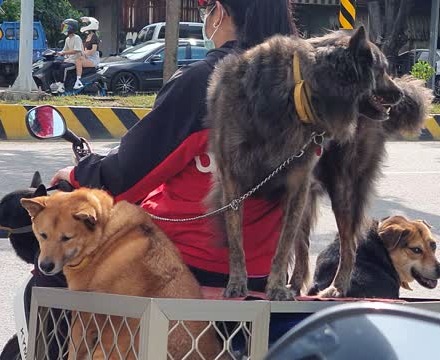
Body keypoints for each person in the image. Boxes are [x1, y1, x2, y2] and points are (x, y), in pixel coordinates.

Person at [50, 0, 299, 292]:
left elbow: (128, 176)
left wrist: (78, 175)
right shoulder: (299, 85)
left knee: (55, 269)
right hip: (264, 269)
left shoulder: (206, 81)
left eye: (207, 7)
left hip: (184, 262)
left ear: (219, 12)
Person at [52, 19, 83, 91]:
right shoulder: (67, 39)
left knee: (63, 67)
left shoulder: (77, 38)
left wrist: (63, 53)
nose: (63, 29)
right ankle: (57, 82)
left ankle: (62, 85)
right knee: (55, 64)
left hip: (75, 60)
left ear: (71, 28)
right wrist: (56, 53)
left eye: (65, 27)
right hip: (68, 59)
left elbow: (77, 50)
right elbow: (64, 50)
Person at [74, 17, 101, 90]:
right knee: (75, 60)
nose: (84, 26)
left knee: (78, 61)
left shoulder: (94, 37)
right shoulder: (87, 36)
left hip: (93, 59)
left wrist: (84, 54)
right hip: (87, 57)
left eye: (86, 24)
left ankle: (78, 81)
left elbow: (93, 50)